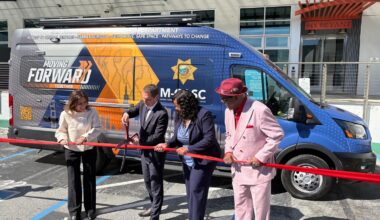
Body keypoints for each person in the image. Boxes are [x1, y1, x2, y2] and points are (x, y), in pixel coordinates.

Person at [215, 78, 284, 220]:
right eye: (222, 98)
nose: (223, 102)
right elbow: (229, 135)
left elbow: (276, 135)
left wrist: (260, 156)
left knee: (260, 211)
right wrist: (228, 152)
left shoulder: (259, 109)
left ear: (239, 96)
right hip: (238, 169)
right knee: (240, 207)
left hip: (258, 170)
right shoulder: (229, 110)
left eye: (226, 99)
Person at [155, 90, 221, 220]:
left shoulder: (204, 115)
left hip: (203, 160)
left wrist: (190, 149)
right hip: (187, 160)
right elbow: (177, 136)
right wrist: (167, 144)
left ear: (186, 105)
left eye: (177, 105)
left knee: (196, 191)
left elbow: (210, 139)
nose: (176, 108)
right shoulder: (180, 115)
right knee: (190, 192)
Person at [122, 84, 168, 220]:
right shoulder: (143, 104)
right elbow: (133, 110)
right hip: (144, 151)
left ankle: (155, 215)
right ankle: (153, 204)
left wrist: (139, 142)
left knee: (155, 183)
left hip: (155, 153)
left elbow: (157, 137)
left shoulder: (162, 113)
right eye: (143, 99)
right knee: (148, 181)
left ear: (156, 98)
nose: (144, 101)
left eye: (148, 99)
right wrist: (126, 113)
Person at [55, 90, 102, 220]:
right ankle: (74, 211)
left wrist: (85, 137)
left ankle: (90, 209)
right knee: (73, 180)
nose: (83, 106)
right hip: (71, 148)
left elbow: (97, 128)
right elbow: (61, 130)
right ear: (73, 103)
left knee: (89, 179)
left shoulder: (92, 112)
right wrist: (62, 138)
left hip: (89, 147)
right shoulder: (65, 114)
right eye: (79, 104)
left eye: (85, 103)